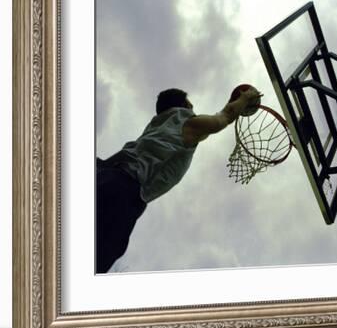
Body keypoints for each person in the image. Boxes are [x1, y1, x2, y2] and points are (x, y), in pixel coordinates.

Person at [96, 86, 261, 273]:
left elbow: (212, 123)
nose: (194, 112)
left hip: (105, 175)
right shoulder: (185, 121)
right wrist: (245, 98)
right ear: (184, 106)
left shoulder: (160, 124)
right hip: (122, 190)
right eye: (192, 107)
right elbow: (222, 119)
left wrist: (233, 105)